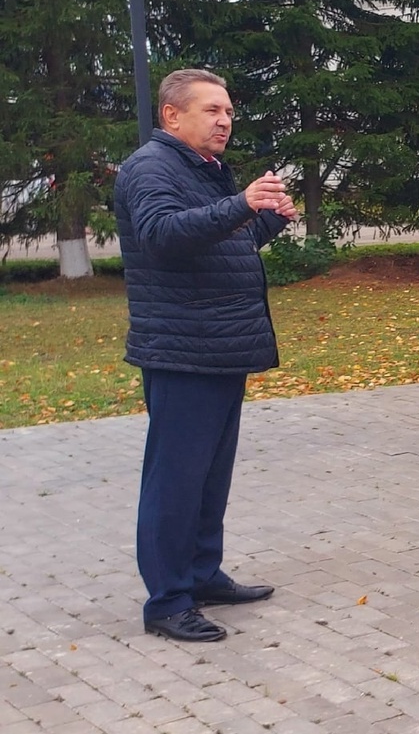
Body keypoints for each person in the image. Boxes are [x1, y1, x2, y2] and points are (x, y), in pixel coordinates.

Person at [114, 68, 297, 643]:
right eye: (212, 110)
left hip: (220, 344)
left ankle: (201, 573)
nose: (225, 120)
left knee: (209, 476)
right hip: (182, 350)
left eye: (228, 111)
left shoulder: (206, 170)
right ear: (173, 115)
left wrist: (263, 218)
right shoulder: (150, 168)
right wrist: (241, 204)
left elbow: (220, 244)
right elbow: (163, 235)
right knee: (176, 479)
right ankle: (167, 601)